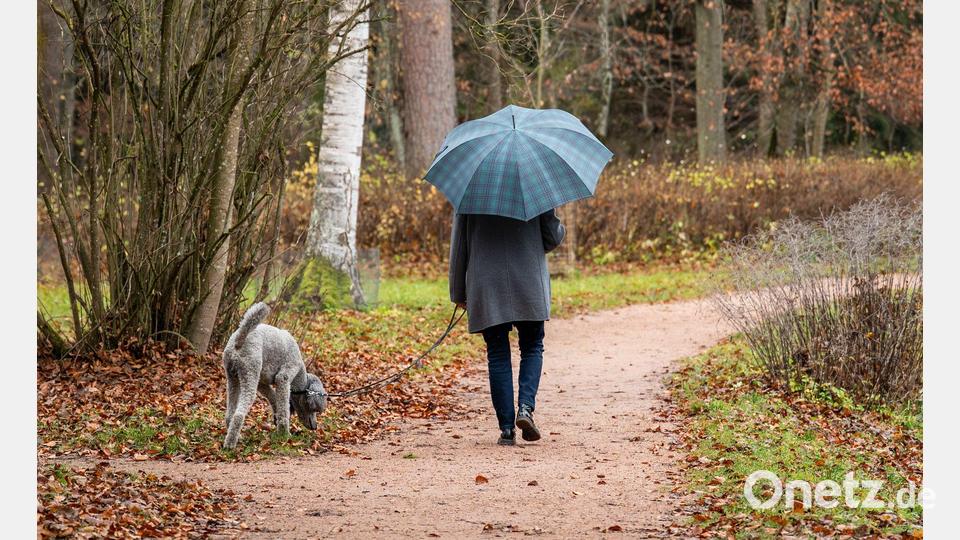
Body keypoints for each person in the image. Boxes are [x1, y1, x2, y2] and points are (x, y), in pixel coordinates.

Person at [448, 208, 566, 445]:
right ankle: (525, 409)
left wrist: (458, 290)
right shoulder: (535, 188)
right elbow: (552, 238)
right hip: (529, 280)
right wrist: (555, 218)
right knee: (532, 346)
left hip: (487, 282)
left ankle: (506, 430)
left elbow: (459, 246)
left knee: (497, 354)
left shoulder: (473, 192)